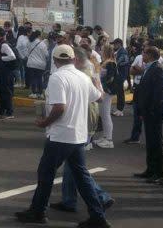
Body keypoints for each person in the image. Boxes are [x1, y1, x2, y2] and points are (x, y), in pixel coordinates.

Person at [15, 44, 110, 228]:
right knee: (81, 176)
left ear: (56, 60)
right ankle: (97, 215)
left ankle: (38, 211)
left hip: (61, 135)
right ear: (73, 59)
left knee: (46, 173)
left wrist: (45, 122)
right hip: (78, 135)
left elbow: (60, 107)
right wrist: (96, 79)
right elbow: (99, 97)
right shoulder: (82, 76)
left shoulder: (57, 77)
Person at [132, 46, 163, 183]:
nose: (142, 54)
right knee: (150, 142)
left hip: (154, 113)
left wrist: (151, 110)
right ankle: (150, 169)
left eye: (144, 53)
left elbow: (158, 94)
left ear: (150, 55)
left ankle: (159, 173)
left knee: (156, 142)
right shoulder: (149, 67)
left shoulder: (157, 69)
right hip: (147, 111)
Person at [93, 45, 118, 149]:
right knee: (103, 115)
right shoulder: (106, 62)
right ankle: (105, 136)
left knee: (106, 115)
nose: (101, 51)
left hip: (106, 91)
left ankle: (109, 140)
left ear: (106, 51)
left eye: (102, 50)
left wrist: (102, 86)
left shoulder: (110, 62)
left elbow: (110, 78)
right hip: (104, 90)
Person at [0, 27, 17, 119]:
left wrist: (1, 58)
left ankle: (9, 112)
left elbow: (12, 56)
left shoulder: (4, 45)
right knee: (0, 91)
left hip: (6, 73)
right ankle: (1, 110)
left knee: (7, 92)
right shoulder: (0, 43)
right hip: (1, 73)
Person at [27, 30, 48, 99]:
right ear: (39, 36)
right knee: (39, 78)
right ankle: (40, 93)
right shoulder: (42, 44)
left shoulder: (29, 42)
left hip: (31, 63)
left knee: (33, 78)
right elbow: (46, 54)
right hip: (40, 64)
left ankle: (34, 93)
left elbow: (27, 52)